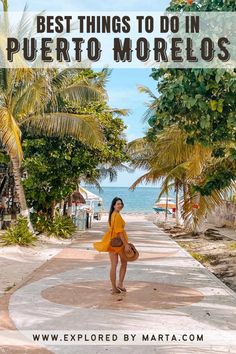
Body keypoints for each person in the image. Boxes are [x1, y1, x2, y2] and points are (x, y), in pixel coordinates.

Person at [93, 197, 133, 295]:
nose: (120, 205)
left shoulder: (112, 215)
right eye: (118, 204)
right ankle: (120, 283)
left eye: (121, 203)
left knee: (113, 266)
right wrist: (126, 244)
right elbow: (119, 232)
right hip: (120, 244)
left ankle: (114, 287)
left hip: (112, 243)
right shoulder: (117, 216)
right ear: (114, 205)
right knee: (124, 263)